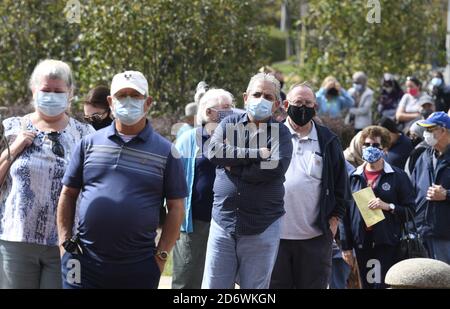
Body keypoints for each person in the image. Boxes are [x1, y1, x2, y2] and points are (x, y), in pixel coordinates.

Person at [57, 70, 188, 288]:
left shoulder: (167, 152)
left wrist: (161, 257)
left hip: (139, 266)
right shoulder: (88, 144)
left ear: (147, 103)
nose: (128, 101)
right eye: (121, 95)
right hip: (82, 262)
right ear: (111, 102)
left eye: (135, 96)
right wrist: (64, 245)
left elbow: (176, 208)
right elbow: (68, 194)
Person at [0, 59, 94, 289]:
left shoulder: (85, 134)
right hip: (16, 241)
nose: (51, 95)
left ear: (70, 93)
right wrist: (15, 148)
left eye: (58, 91)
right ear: (34, 90)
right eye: (45, 90)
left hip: (65, 242)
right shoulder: (11, 127)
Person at [202, 73, 293, 289]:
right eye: (257, 94)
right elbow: (214, 151)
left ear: (277, 104)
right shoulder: (228, 122)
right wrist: (256, 153)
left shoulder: (281, 133)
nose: (261, 99)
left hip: (262, 225)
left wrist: (233, 164)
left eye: (268, 97)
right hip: (223, 222)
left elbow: (274, 168)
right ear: (245, 97)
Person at [269, 83, 351, 289]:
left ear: (315, 107)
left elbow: (342, 186)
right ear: (286, 105)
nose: (303, 108)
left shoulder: (328, 140)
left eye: (308, 103)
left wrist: (333, 222)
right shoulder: (271, 135)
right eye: (298, 103)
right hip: (274, 238)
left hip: (315, 239)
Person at [172, 89, 234, 289]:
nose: (230, 112)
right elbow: (172, 181)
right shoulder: (188, 140)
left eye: (231, 107)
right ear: (208, 112)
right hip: (195, 223)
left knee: (221, 281)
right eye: (225, 108)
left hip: (227, 222)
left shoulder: (237, 139)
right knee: (188, 280)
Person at [340, 126, 416, 289]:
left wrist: (388, 206)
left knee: (382, 285)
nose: (370, 149)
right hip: (361, 243)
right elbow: (344, 213)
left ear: (385, 149)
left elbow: (410, 211)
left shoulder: (398, 176)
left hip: (387, 242)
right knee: (367, 285)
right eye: (367, 145)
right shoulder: (353, 177)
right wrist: (346, 246)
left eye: (375, 145)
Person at [412, 111, 450, 264]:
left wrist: (446, 194)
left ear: (444, 130)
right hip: (423, 233)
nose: (426, 133)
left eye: (430, 129)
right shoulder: (424, 156)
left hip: (446, 235)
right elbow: (412, 189)